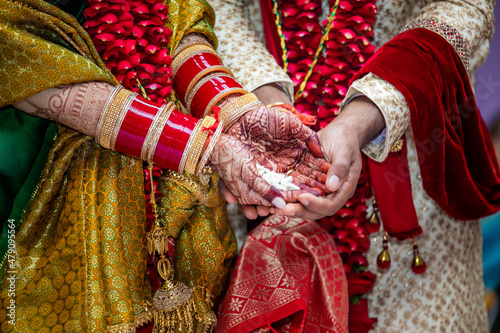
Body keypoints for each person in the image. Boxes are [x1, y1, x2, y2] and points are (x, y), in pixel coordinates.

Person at [0, 0, 331, 331]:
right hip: (42, 164)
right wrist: (199, 144)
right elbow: (19, 56)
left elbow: (176, 22)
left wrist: (234, 112)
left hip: (176, 172)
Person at [209, 0, 500, 332]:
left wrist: (360, 118)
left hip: (411, 181)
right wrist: (268, 106)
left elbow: (463, 8)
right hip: (258, 158)